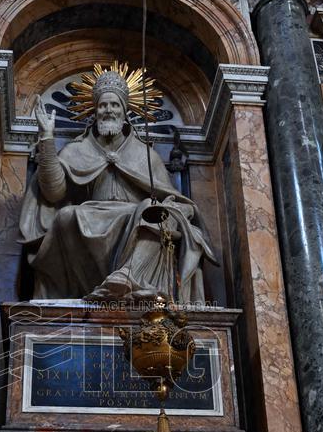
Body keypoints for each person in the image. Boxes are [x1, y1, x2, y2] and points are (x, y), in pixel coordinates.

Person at [19, 64, 216, 303]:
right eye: (103, 105)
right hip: (93, 212)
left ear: (124, 112)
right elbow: (53, 193)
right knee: (66, 216)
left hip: (136, 215)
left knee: (150, 209)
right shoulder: (78, 149)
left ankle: (128, 275)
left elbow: (171, 197)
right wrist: (47, 138)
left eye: (114, 105)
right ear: (95, 111)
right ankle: (90, 288)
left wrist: (178, 209)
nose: (108, 110)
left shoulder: (145, 155)